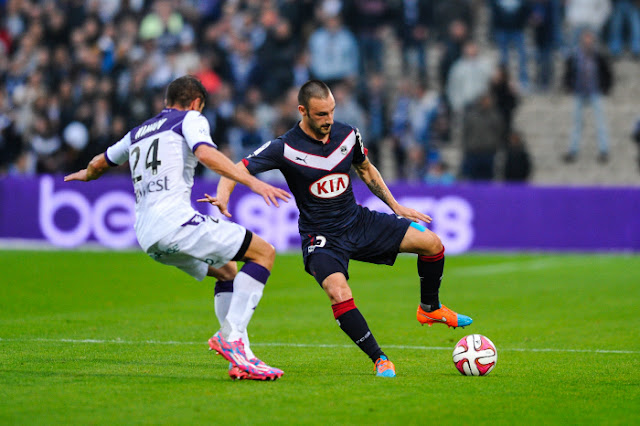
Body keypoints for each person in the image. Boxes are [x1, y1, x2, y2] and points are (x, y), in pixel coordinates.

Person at [203, 80, 473, 378]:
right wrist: (224, 197)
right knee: (338, 291)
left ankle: (430, 308)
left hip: (358, 221)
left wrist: (395, 206)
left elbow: (365, 168)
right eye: (320, 114)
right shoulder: (284, 147)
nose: (328, 120)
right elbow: (235, 168)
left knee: (432, 243)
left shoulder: (347, 134)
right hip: (321, 238)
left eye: (331, 111)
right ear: (302, 111)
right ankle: (379, 358)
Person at [64, 75, 291, 381]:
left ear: (165, 102)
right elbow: (206, 153)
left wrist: (86, 175)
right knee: (264, 253)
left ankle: (241, 360)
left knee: (226, 271)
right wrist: (252, 182)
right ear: (197, 102)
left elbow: (100, 162)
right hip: (176, 223)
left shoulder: (137, 133)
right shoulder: (190, 119)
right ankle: (231, 336)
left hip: (147, 236)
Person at [562, 30, 613, 163]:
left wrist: (606, 87)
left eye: (590, 40)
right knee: (577, 124)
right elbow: (568, 72)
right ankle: (573, 150)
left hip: (595, 92)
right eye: (585, 40)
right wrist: (568, 86)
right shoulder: (575, 56)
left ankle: (604, 150)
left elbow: (607, 72)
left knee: (600, 123)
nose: (588, 43)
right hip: (579, 92)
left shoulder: (598, 56)